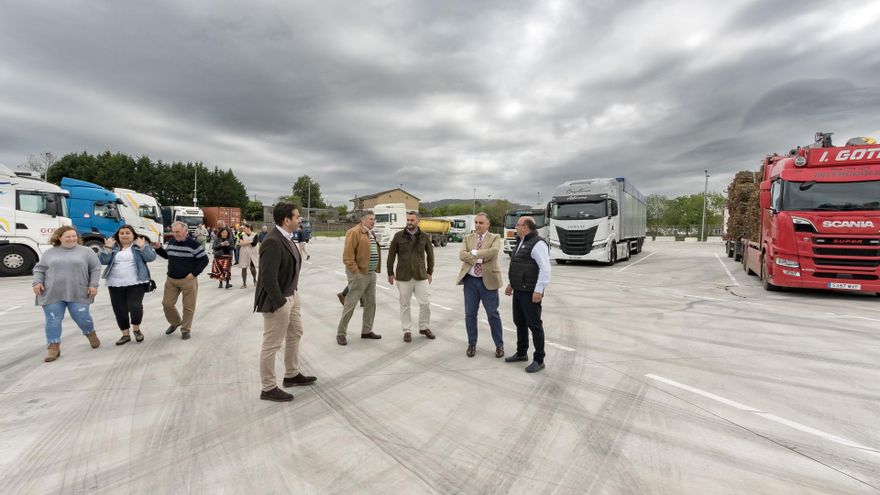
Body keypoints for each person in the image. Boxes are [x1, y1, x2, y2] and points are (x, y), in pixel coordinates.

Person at [254, 203, 317, 402]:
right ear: (286, 220)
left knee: (295, 333)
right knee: (271, 345)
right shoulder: (272, 241)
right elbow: (267, 277)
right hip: (279, 300)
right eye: (297, 217)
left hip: (292, 295)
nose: (300, 220)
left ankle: (291, 374)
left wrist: (293, 296)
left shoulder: (288, 238)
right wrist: (280, 302)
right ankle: (268, 387)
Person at [32, 226, 102, 361]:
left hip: (78, 291)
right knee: (52, 320)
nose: (72, 239)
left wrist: (93, 285)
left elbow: (95, 269)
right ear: (59, 238)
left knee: (82, 317)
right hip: (52, 292)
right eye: (68, 236)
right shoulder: (50, 253)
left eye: (74, 236)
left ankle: (90, 332)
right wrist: (37, 282)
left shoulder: (86, 252)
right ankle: (53, 347)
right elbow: (39, 269)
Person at [504, 216, 551, 373]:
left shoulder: (537, 243)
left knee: (534, 325)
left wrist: (539, 290)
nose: (515, 227)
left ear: (525, 227)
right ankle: (522, 352)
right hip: (519, 290)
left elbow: (545, 268)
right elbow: (518, 266)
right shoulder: (520, 241)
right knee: (519, 322)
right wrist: (512, 284)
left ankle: (539, 359)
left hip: (530, 292)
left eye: (517, 225)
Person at [98, 224, 157, 345]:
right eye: (122, 233)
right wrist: (107, 248)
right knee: (119, 309)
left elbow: (151, 258)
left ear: (133, 235)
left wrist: (143, 247)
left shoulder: (138, 245)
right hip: (114, 283)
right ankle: (125, 334)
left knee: (135, 306)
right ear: (118, 235)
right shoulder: (113, 246)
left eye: (127, 233)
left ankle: (136, 329)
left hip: (136, 281)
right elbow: (103, 261)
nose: (124, 235)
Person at [456, 212, 504, 358]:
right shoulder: (467, 237)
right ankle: (472, 343)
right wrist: (480, 259)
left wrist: (474, 253)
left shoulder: (495, 237)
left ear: (488, 224)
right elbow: (462, 255)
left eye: (481, 223)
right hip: (470, 281)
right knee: (470, 314)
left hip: (488, 281)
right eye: (476, 222)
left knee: (493, 314)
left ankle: (499, 345)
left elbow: (493, 253)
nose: (477, 225)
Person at [153, 221, 209, 340]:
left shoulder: (194, 244)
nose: (175, 234)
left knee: (188, 307)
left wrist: (194, 274)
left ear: (185, 231)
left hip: (188, 280)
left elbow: (204, 260)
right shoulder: (172, 241)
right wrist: (159, 249)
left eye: (177, 232)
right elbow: (168, 255)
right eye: (173, 232)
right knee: (167, 304)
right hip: (171, 279)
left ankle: (185, 329)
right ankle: (175, 322)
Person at [387, 211, 435, 343]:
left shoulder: (425, 237)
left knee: (425, 303)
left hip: (421, 275)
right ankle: (406, 330)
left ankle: (424, 327)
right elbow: (391, 256)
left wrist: (430, 272)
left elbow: (430, 256)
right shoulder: (398, 236)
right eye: (408, 220)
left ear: (418, 221)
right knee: (404, 304)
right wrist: (390, 273)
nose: (409, 222)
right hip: (403, 276)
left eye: (412, 220)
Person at [335, 210, 382, 345]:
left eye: (374, 219)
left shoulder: (370, 232)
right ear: (363, 220)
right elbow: (348, 257)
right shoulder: (354, 232)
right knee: (350, 304)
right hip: (359, 274)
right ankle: (341, 333)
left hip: (371, 273)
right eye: (371, 219)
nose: (373, 221)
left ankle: (366, 330)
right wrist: (357, 273)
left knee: (371, 304)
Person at [238, 224, 259, 288]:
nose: (243, 229)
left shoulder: (255, 235)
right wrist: (249, 242)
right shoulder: (242, 235)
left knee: (252, 268)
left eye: (244, 228)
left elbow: (254, 244)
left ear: (249, 228)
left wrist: (245, 243)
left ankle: (255, 280)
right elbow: (240, 243)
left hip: (252, 253)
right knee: (243, 268)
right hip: (244, 253)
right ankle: (244, 283)